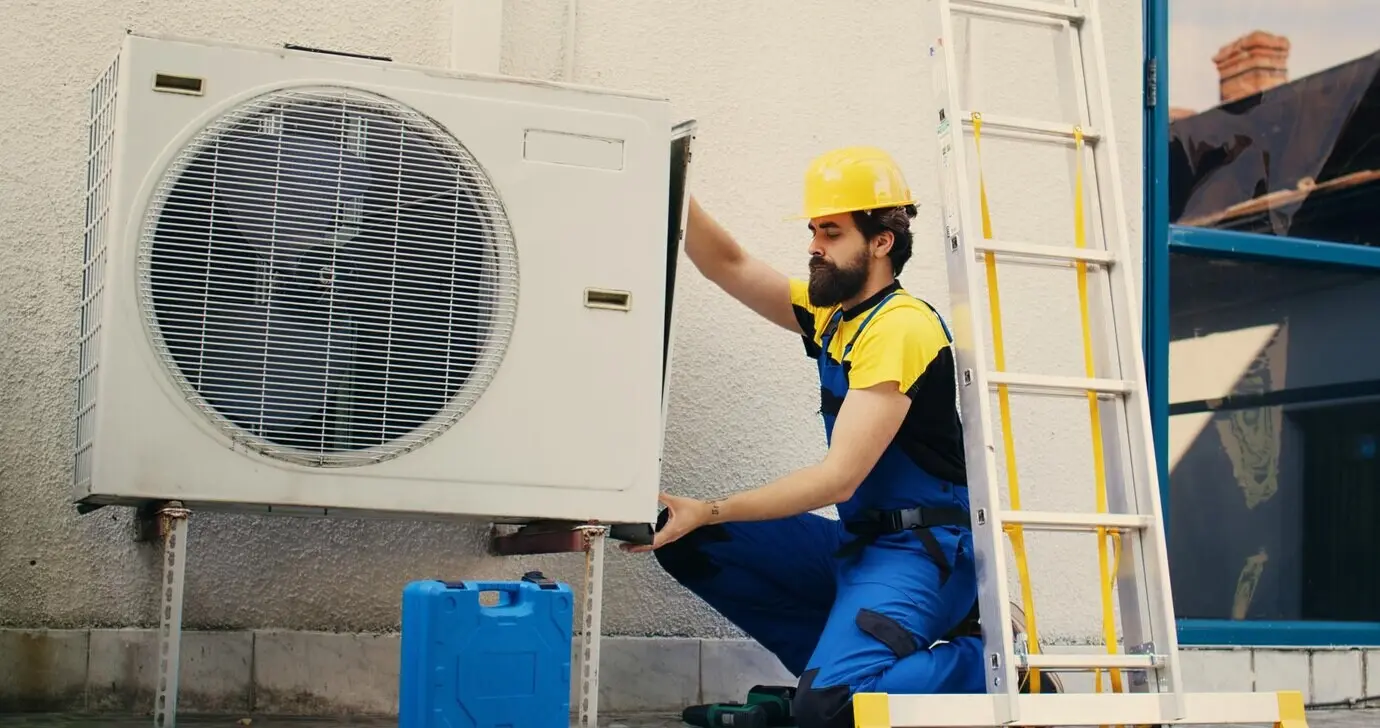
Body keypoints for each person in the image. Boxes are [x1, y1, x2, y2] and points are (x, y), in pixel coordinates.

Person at [622, 146, 1060, 728]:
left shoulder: (902, 326)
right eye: (813, 231)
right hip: (857, 545)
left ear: (881, 241)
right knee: (690, 542)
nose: (813, 246)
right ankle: (824, 689)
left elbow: (839, 477)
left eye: (831, 232)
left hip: (924, 554)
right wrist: (669, 175)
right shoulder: (833, 313)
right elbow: (727, 263)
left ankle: (1001, 669)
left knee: (836, 708)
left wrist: (711, 506)